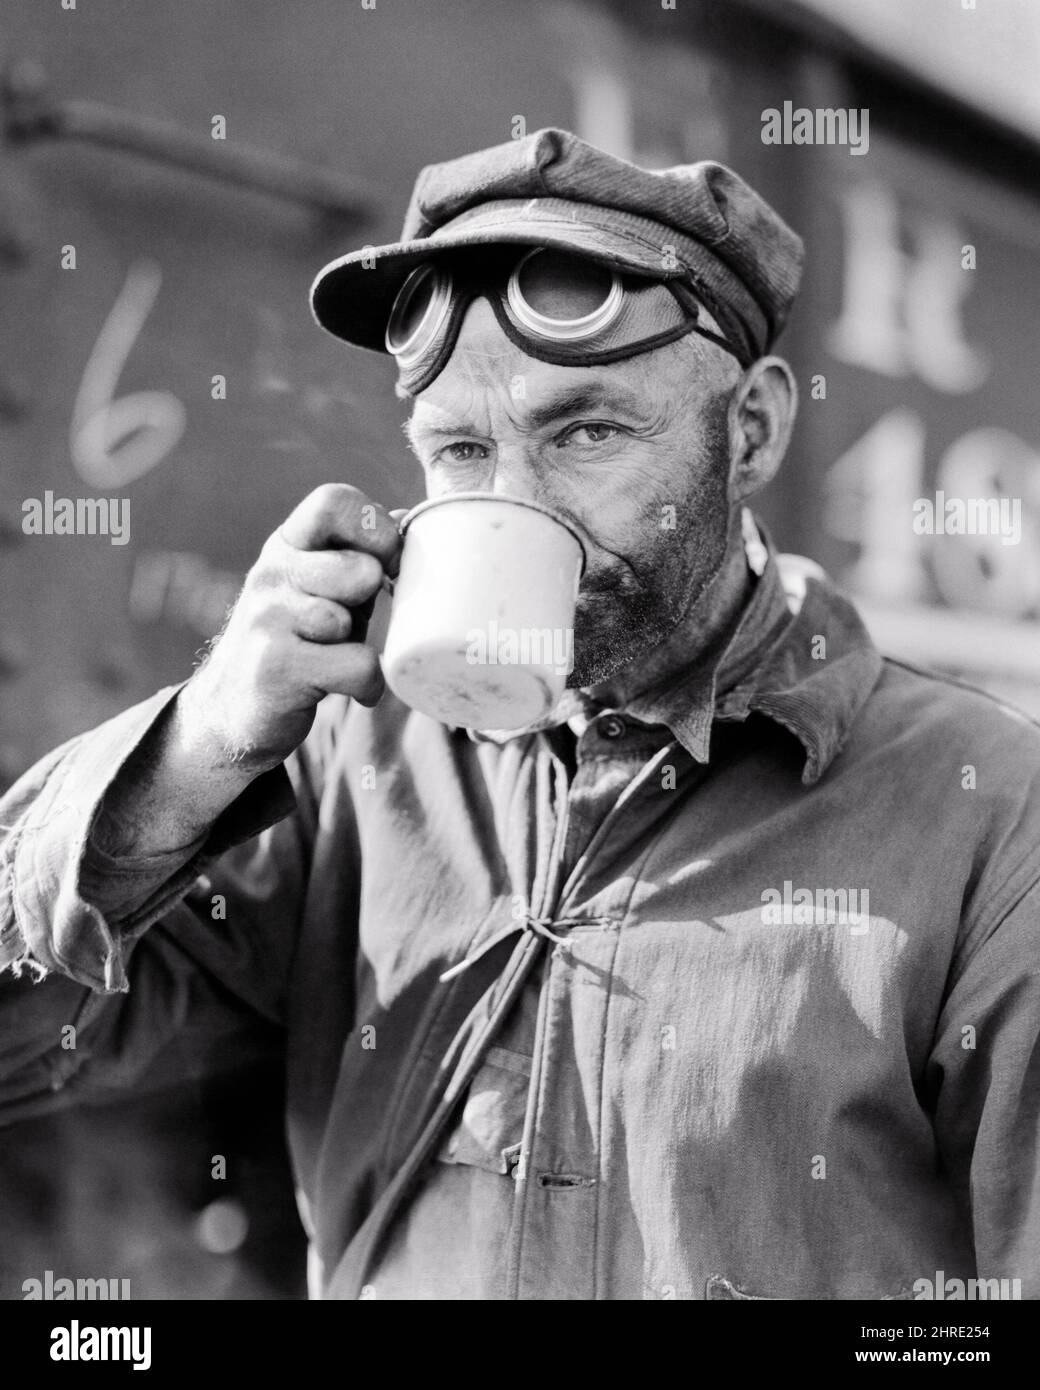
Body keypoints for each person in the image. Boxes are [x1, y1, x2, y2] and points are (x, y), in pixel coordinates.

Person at [1, 128, 1038, 1301]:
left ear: (748, 431)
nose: (514, 506)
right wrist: (193, 750)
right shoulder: (355, 764)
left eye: (586, 432)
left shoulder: (988, 813)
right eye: (458, 449)